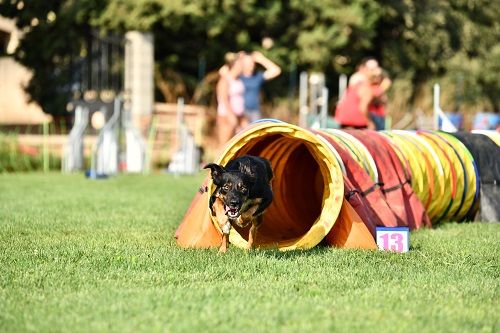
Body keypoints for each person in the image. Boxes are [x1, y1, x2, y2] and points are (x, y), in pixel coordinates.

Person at [334, 58, 380, 129]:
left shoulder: (357, 84)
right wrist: (370, 122)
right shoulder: (366, 88)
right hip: (357, 123)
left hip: (344, 120)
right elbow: (363, 107)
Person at [239, 51, 281, 124]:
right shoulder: (238, 76)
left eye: (252, 62)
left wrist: (262, 59)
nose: (250, 64)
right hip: (241, 112)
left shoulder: (257, 76)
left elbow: (276, 70)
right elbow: (223, 72)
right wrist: (237, 58)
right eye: (248, 62)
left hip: (255, 112)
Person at [216, 53, 245, 147]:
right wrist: (231, 115)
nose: (242, 67)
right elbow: (223, 99)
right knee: (224, 146)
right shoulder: (225, 80)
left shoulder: (239, 80)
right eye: (240, 65)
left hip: (239, 116)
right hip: (227, 116)